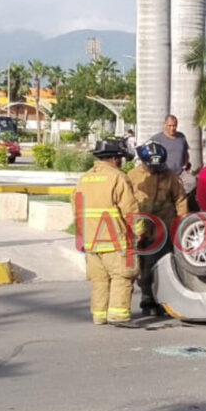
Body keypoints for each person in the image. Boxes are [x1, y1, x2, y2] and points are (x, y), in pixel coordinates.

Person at [71, 139, 140, 326]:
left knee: (99, 279)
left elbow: (75, 206)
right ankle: (118, 314)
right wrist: (139, 230)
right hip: (114, 239)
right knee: (122, 275)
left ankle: (99, 315)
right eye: (121, 159)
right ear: (115, 158)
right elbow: (130, 209)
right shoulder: (117, 177)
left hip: (90, 239)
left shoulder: (84, 178)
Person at [128, 141, 188, 315]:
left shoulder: (170, 176)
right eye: (151, 166)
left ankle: (163, 298)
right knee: (144, 264)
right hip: (141, 228)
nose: (154, 170)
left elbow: (180, 200)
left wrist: (182, 224)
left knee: (164, 263)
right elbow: (126, 203)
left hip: (165, 227)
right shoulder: (132, 176)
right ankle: (147, 298)